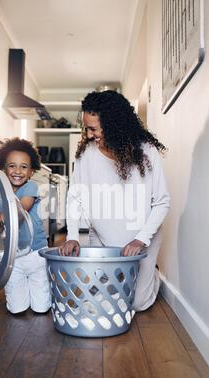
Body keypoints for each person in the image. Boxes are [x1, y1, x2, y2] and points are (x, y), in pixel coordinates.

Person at [60, 90, 170, 311]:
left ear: (114, 125)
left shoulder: (146, 153)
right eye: (86, 128)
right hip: (103, 239)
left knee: (137, 304)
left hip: (141, 240)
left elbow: (161, 202)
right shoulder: (85, 155)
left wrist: (140, 240)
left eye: (93, 129)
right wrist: (72, 236)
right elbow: (75, 197)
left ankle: (152, 276)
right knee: (105, 300)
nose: (89, 135)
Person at [0, 137, 51, 314]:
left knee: (41, 308)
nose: (17, 171)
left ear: (31, 172)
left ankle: (43, 294)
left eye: (24, 167)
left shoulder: (30, 188)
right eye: (12, 166)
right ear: (3, 168)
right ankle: (23, 295)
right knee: (17, 309)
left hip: (36, 254)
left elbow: (20, 211)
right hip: (13, 258)